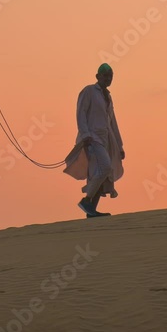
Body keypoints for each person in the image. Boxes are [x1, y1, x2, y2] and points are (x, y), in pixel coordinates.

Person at [64, 63, 125, 217]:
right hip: (92, 138)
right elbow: (81, 113)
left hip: (106, 140)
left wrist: (120, 145)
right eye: (105, 76)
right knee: (105, 167)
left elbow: (113, 122)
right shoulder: (89, 91)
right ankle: (86, 201)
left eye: (110, 76)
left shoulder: (108, 97)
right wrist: (85, 135)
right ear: (98, 77)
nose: (108, 79)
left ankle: (91, 210)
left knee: (102, 174)